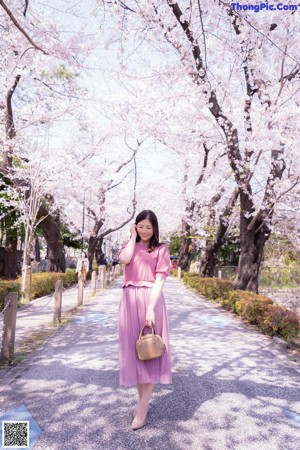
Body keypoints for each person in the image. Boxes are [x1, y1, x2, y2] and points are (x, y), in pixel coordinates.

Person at [118, 210, 172, 431]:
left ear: (155, 228)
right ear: (135, 226)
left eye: (148, 227)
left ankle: (142, 409)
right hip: (129, 301)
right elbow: (124, 259)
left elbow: (160, 281)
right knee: (137, 353)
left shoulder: (161, 249)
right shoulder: (129, 245)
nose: (145, 231)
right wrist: (132, 237)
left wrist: (150, 307)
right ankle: (142, 403)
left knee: (149, 355)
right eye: (141, 226)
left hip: (150, 300)